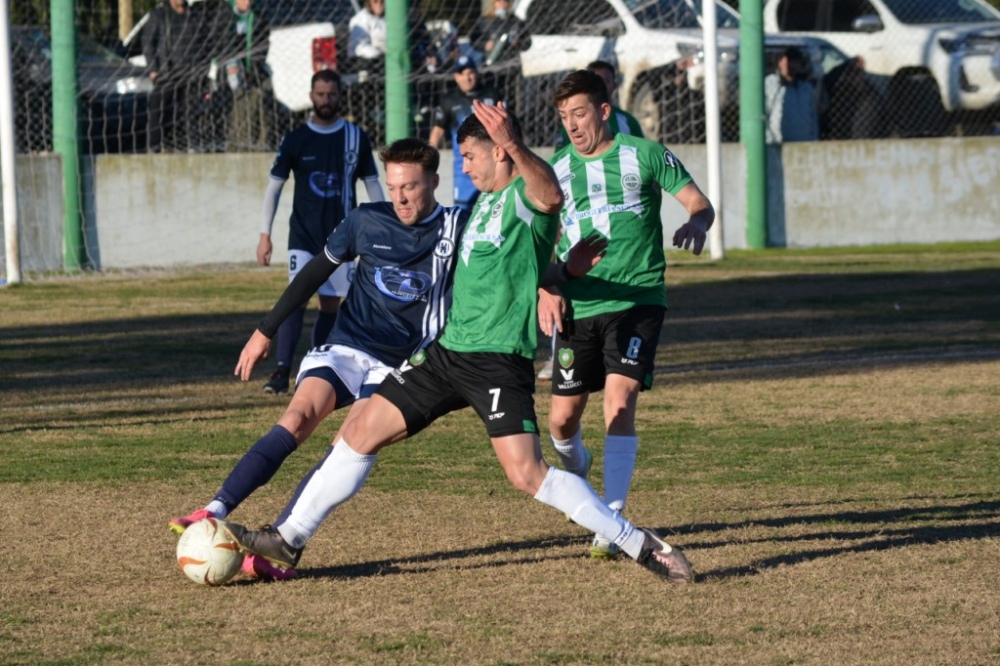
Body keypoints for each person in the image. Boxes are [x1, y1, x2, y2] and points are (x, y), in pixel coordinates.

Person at [222, 102, 696, 586]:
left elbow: (551, 196)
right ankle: (288, 537)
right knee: (360, 428)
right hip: (447, 353)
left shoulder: (522, 196)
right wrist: (560, 275)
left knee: (526, 474)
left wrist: (513, 142)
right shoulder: (483, 201)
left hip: (496, 362)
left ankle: (637, 542)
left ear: (500, 154)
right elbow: (523, 268)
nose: (464, 167)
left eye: (471, 156)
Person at [168, 138, 471, 580]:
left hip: (399, 363)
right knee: (298, 416)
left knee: (351, 443)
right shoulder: (366, 221)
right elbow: (313, 274)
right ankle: (213, 509)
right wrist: (263, 330)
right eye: (393, 187)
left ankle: (282, 544)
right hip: (349, 345)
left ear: (434, 182)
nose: (400, 197)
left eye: (411, 187)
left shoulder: (458, 226)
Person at [540, 69, 714, 559]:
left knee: (619, 402)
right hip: (580, 304)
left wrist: (697, 224)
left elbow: (699, 204)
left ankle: (610, 522)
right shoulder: (554, 174)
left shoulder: (645, 155)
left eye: (579, 114)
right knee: (561, 421)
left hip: (638, 301)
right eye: (563, 117)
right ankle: (579, 470)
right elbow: (537, 248)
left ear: (603, 110)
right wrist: (545, 287)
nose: (572, 125)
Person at [257, 70, 384, 395]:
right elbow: (273, 188)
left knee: (330, 303)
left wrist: (386, 225)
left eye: (331, 94)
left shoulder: (356, 136)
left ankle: (314, 366)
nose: (326, 100)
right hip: (303, 235)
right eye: (321, 94)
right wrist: (264, 233)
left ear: (340, 96)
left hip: (343, 238)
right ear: (311, 96)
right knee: (296, 298)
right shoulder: (296, 138)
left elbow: (372, 185)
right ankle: (281, 371)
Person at [540, 59, 647, 381]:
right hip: (575, 232)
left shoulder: (629, 128)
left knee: (619, 391)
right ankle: (556, 354)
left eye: (604, 80)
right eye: (564, 116)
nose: (571, 123)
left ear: (608, 97)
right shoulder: (563, 150)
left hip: (630, 280)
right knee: (562, 414)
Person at [143, 0, 219, 152]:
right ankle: (154, 149)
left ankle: (192, 147)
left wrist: (204, 69)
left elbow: (207, 44)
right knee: (158, 113)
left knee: (191, 114)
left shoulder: (196, 16)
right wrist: (153, 69)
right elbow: (148, 43)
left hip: (191, 75)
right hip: (166, 74)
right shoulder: (159, 15)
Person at [428, 55, 501, 210]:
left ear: (476, 73)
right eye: (462, 74)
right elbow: (438, 130)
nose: (467, 78)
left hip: (493, 165)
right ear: (456, 77)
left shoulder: (492, 95)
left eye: (470, 73)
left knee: (498, 209)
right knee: (462, 212)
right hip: (464, 171)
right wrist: (428, 159)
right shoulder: (449, 100)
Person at [219, 0, 272, 151]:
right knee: (239, 110)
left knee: (258, 102)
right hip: (229, 70)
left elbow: (264, 42)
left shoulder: (258, 16)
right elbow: (219, 42)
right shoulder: (224, 15)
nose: (247, 2)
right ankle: (237, 146)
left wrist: (255, 64)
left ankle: (259, 145)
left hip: (253, 70)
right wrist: (230, 65)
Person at [764, 46, 820, 144]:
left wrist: (813, 139)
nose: (791, 65)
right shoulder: (770, 84)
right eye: (788, 61)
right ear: (780, 62)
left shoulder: (806, 87)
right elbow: (765, 115)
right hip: (777, 145)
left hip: (804, 144)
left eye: (795, 62)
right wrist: (771, 141)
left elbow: (813, 117)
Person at [469, 0, 531, 66]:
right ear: (493, 3)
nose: (502, 3)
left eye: (505, 0)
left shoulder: (516, 21)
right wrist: (485, 45)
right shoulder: (484, 21)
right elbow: (473, 41)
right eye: (499, 0)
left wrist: (518, 43)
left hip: (512, 64)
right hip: (491, 64)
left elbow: (527, 43)